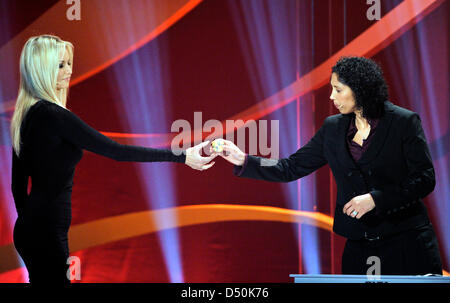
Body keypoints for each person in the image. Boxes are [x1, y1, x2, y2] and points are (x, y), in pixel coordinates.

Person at [10, 35, 216, 284]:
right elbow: (117, 151)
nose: (69, 71)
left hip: (31, 230)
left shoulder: (24, 116)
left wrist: (31, 223)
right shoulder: (53, 115)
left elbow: (17, 186)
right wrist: (182, 156)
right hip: (46, 232)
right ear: (41, 71)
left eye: (68, 63)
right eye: (60, 65)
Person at [215, 56, 443, 276]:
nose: (332, 96)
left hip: (407, 242)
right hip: (359, 245)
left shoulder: (403, 122)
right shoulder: (332, 128)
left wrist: (376, 199)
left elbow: (424, 179)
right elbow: (290, 167)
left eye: (338, 89)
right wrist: (244, 159)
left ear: (360, 89)